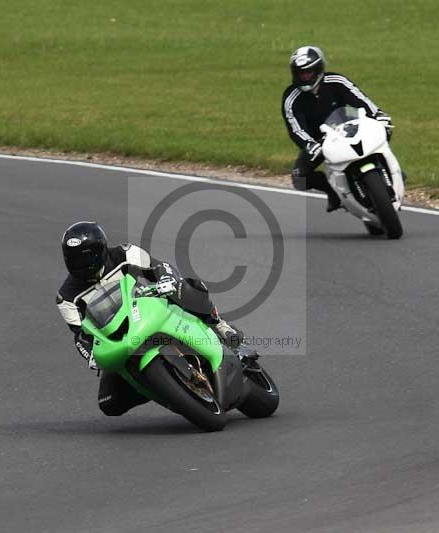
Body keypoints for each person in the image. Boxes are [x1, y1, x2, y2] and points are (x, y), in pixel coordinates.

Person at [55, 221, 255, 416]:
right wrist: (91, 355)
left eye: (84, 258)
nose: (79, 265)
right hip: (118, 337)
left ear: (100, 251)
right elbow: (80, 335)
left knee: (185, 287)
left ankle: (221, 327)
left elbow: (158, 266)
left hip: (147, 305)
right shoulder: (66, 297)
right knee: (109, 403)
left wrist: (166, 279)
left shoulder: (123, 254)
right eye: (73, 260)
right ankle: (160, 386)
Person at [281, 45, 394, 212]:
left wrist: (378, 115)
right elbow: (295, 127)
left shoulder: (336, 81)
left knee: (384, 132)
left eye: (308, 73)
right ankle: (332, 191)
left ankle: (391, 171)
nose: (304, 77)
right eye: (300, 73)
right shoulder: (291, 97)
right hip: (320, 142)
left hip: (350, 127)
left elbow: (360, 99)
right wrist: (309, 144)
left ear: (318, 69)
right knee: (299, 178)